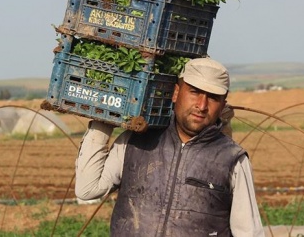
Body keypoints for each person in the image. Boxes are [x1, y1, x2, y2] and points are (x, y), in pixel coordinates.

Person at [75, 57, 264, 236]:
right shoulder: (136, 141)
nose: (202, 105)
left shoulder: (231, 159)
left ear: (223, 104)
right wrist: (104, 118)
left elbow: (249, 232)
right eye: (195, 92)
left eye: (213, 97)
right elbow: (87, 190)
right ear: (175, 93)